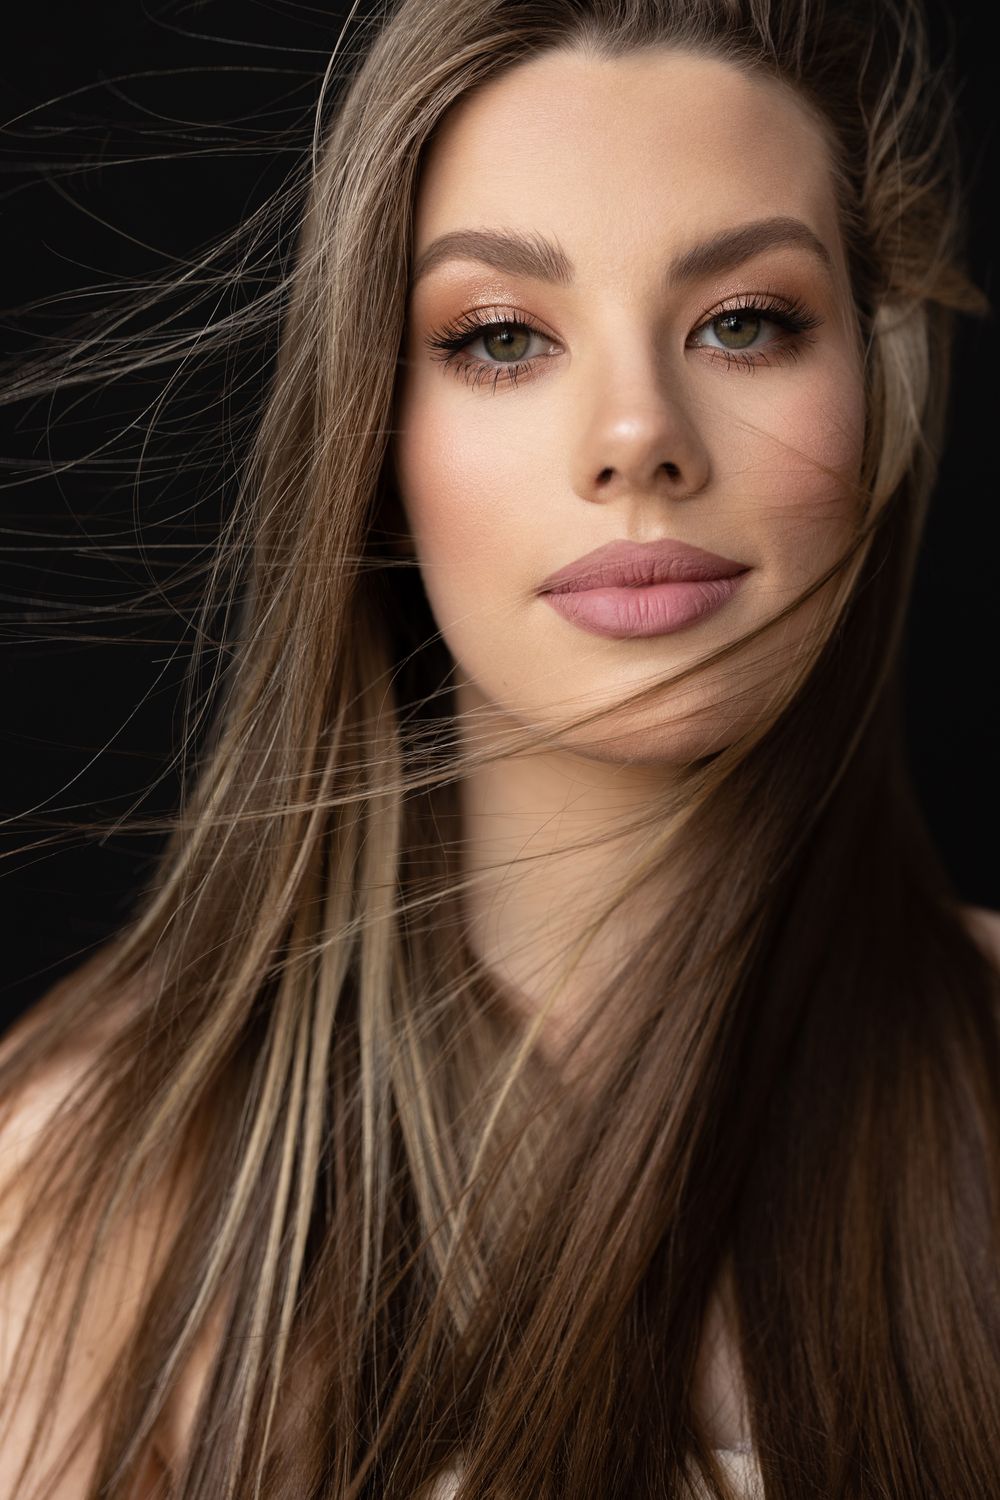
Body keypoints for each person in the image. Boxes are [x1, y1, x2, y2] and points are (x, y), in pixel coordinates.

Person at [0, 0, 997, 1495]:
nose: (638, 435)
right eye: (501, 337)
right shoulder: (81, 1179)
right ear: (378, 450)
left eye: (746, 319)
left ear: (877, 383)